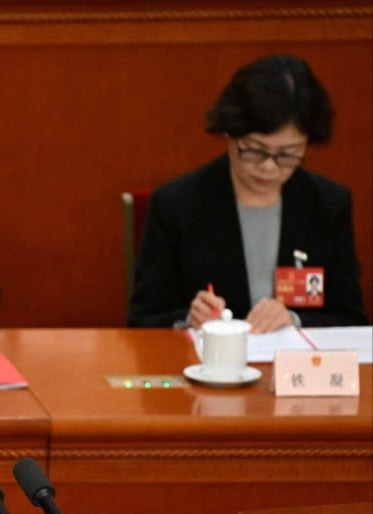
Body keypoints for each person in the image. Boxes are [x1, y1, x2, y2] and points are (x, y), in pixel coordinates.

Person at [128, 54, 367, 332]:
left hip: (294, 360)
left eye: (288, 154)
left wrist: (294, 320)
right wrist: (189, 321)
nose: (269, 167)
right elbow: (143, 319)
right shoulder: (177, 205)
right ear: (230, 133)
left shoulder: (327, 205)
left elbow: (351, 319)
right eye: (255, 150)